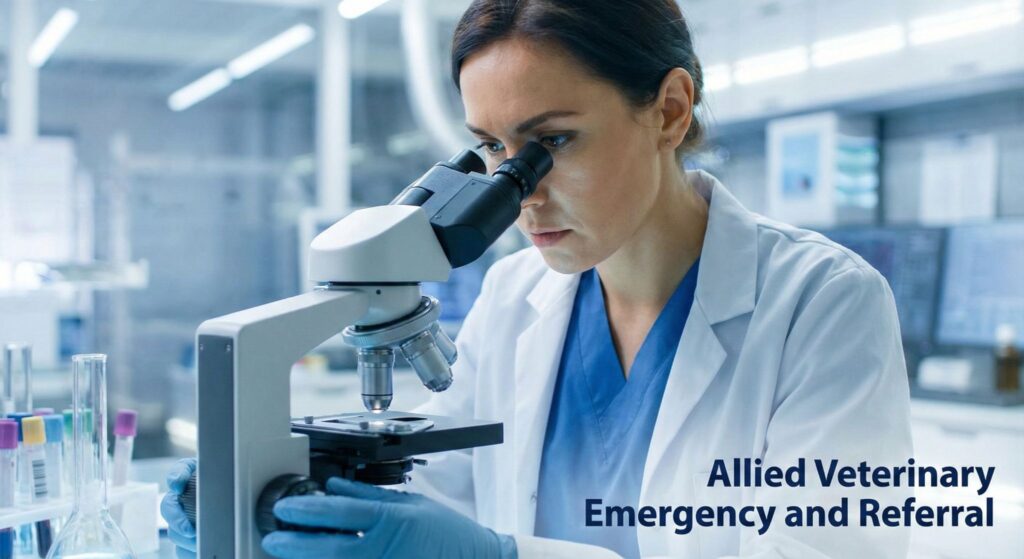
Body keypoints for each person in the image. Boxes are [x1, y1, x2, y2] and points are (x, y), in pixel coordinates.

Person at [162, 1, 913, 558]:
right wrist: (275, 499)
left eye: (552, 141)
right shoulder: (515, 295)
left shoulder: (823, 303)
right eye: (492, 148)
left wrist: (504, 557)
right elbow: (433, 500)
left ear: (670, 111)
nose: (518, 189)